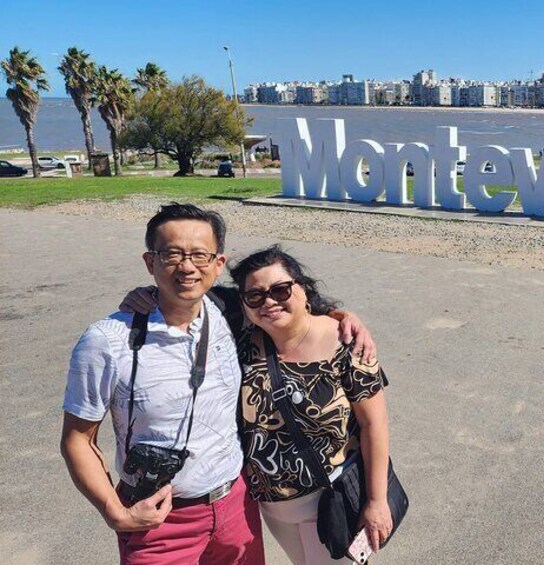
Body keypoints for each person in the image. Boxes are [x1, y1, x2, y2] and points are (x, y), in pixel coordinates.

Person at [61, 203, 373, 565]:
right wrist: (114, 511)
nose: (187, 266)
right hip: (157, 519)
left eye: (199, 255)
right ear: (150, 262)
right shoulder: (107, 341)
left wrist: (343, 318)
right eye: (172, 254)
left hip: (236, 507)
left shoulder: (230, 312)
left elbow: (291, 312)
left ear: (218, 264)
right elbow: (78, 439)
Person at [229, 246, 392, 565]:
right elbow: (185, 295)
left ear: (303, 290)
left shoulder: (346, 343)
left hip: (333, 499)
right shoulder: (245, 345)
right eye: (256, 296)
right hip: (273, 505)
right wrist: (142, 297)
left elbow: (375, 424)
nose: (269, 302)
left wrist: (376, 500)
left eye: (280, 290)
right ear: (244, 305)